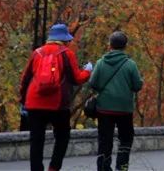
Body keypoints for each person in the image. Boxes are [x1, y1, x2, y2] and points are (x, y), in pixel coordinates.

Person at [20, 23, 92, 171]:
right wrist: (88, 71)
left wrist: (23, 101)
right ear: (65, 39)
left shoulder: (37, 53)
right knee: (62, 136)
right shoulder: (67, 54)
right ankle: (54, 168)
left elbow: (25, 79)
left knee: (36, 140)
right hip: (57, 104)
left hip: (34, 103)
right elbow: (76, 78)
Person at [90, 30, 144, 171]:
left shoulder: (101, 63)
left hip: (104, 109)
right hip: (124, 109)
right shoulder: (130, 64)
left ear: (110, 45)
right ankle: (122, 167)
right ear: (125, 46)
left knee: (105, 141)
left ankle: (103, 168)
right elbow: (137, 86)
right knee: (125, 139)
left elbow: (93, 83)